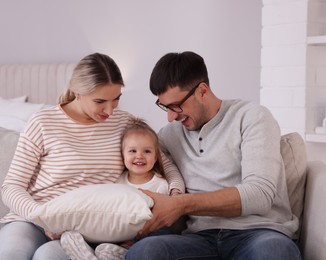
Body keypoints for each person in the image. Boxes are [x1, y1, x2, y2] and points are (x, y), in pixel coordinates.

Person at [0, 53, 184, 260]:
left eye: (116, 99)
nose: (109, 110)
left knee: (48, 256)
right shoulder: (43, 122)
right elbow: (11, 187)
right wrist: (43, 218)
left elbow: (165, 164)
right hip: (32, 219)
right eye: (100, 101)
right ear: (77, 93)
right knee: (9, 255)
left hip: (85, 229)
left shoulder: (124, 123)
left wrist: (176, 196)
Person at [125, 51, 302, 260]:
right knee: (145, 252)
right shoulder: (168, 136)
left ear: (202, 91)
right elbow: (134, 153)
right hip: (199, 238)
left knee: (275, 252)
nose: (171, 116)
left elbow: (260, 194)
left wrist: (182, 204)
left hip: (259, 233)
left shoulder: (252, 117)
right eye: (165, 107)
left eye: (176, 106)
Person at [60, 117, 185, 260]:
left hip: (147, 232)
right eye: (132, 151)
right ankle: (90, 253)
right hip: (120, 232)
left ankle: (125, 252)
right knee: (103, 229)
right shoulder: (118, 181)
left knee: (160, 232)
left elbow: (160, 218)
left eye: (147, 151)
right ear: (122, 155)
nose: (139, 156)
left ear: (156, 157)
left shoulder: (160, 184)